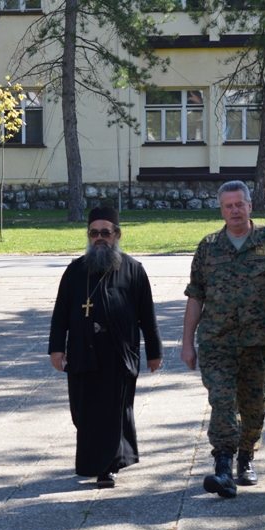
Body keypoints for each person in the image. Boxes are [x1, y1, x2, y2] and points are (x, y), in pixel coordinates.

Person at [181, 180, 265, 498]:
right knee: (222, 400)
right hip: (217, 341)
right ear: (221, 210)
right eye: (228, 206)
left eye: (239, 204)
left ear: (250, 205)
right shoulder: (208, 247)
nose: (234, 210)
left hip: (259, 341)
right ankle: (222, 465)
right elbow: (195, 296)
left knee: (254, 403)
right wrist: (187, 343)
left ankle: (245, 456)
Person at [48, 207, 163, 489]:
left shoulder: (133, 269)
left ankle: (108, 466)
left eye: (105, 233)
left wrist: (154, 351)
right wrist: (56, 348)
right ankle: (92, 461)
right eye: (94, 233)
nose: (99, 238)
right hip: (82, 352)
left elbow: (147, 315)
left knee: (113, 411)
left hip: (117, 354)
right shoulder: (75, 270)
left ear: (117, 235)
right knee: (83, 411)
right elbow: (61, 313)